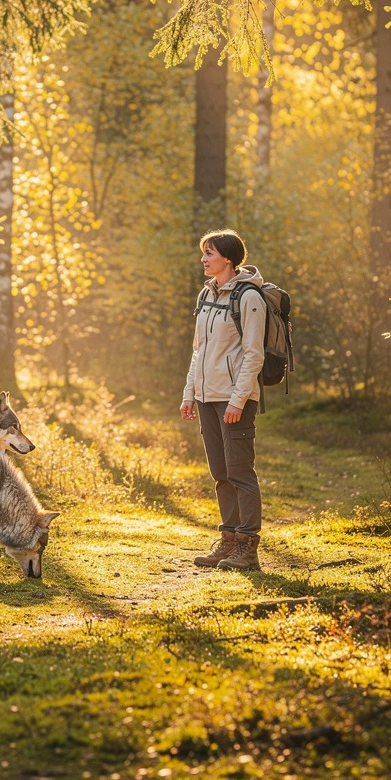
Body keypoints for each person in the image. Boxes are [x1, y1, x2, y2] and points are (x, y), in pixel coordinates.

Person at [180, 229, 265, 570]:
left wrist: (238, 400)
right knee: (220, 473)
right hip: (206, 397)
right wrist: (189, 394)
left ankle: (247, 548)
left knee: (240, 472)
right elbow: (198, 351)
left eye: (209, 253)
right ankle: (228, 541)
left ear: (228, 259)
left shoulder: (249, 297)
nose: (203, 259)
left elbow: (254, 355)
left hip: (233, 399)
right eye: (204, 253)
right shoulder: (206, 294)